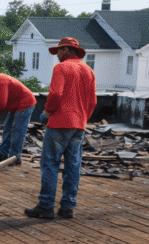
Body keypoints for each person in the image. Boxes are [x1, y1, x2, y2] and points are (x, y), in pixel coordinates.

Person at [24, 37, 96, 220]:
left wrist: (47, 112)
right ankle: (67, 207)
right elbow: (93, 101)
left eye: (58, 51)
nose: (56, 55)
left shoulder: (61, 68)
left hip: (59, 123)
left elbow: (55, 93)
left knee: (50, 164)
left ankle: (46, 206)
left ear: (66, 50)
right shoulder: (88, 71)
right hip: (79, 125)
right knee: (73, 166)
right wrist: (82, 119)